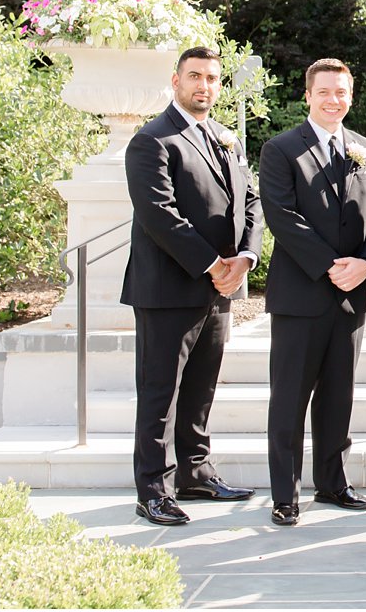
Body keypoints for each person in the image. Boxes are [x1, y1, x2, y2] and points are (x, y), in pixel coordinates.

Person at [122, 46, 262, 526]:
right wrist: (211, 263)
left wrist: (245, 257)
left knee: (201, 388)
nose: (204, 85)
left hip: (220, 289)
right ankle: (153, 491)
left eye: (212, 78)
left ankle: (196, 473)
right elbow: (159, 214)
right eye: (195, 76)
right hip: (167, 289)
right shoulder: (152, 140)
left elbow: (249, 197)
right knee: (161, 392)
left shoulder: (225, 137)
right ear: (176, 80)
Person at [259, 58, 366, 526]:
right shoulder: (280, 150)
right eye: (325, 91)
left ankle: (333, 483)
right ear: (308, 95)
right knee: (290, 397)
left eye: (342, 92)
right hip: (301, 294)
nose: (334, 99)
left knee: (339, 395)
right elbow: (282, 216)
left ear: (351, 96)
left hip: (352, 293)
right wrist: (329, 266)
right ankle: (285, 493)